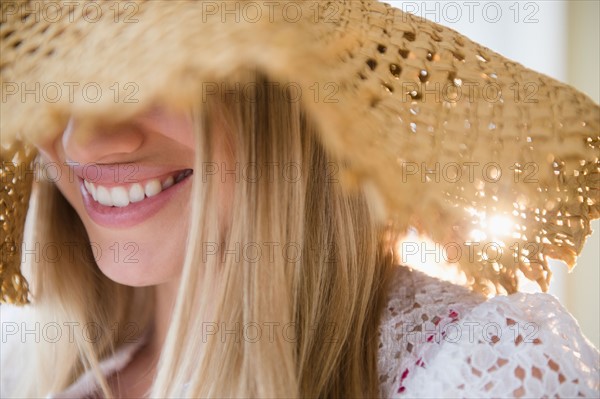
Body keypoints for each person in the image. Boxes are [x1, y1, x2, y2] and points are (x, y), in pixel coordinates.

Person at [1, 1, 598, 398]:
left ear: (285, 91)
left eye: (151, 74)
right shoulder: (56, 383)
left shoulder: (488, 375)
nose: (83, 140)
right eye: (56, 80)